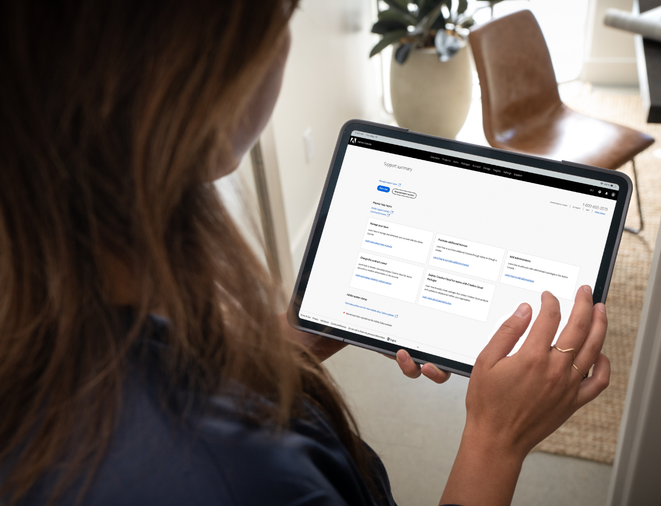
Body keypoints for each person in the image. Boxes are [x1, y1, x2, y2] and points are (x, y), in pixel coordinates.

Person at [0, 1, 610, 505]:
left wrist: (284, 348)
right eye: (282, 20)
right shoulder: (246, 479)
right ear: (207, 80)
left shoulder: (46, 313)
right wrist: (495, 440)